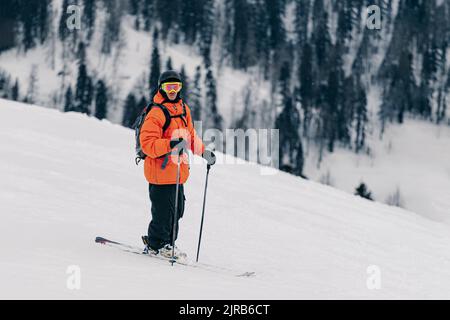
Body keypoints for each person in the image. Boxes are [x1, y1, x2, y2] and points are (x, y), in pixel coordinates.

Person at [139, 70, 216, 259]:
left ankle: (166, 243)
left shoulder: (183, 110)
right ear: (161, 88)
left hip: (178, 173)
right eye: (168, 87)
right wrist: (170, 144)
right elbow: (147, 144)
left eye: (176, 86)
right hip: (160, 172)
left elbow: (190, 136)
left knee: (177, 210)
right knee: (163, 213)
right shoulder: (157, 112)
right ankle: (157, 244)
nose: (172, 91)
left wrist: (203, 152)